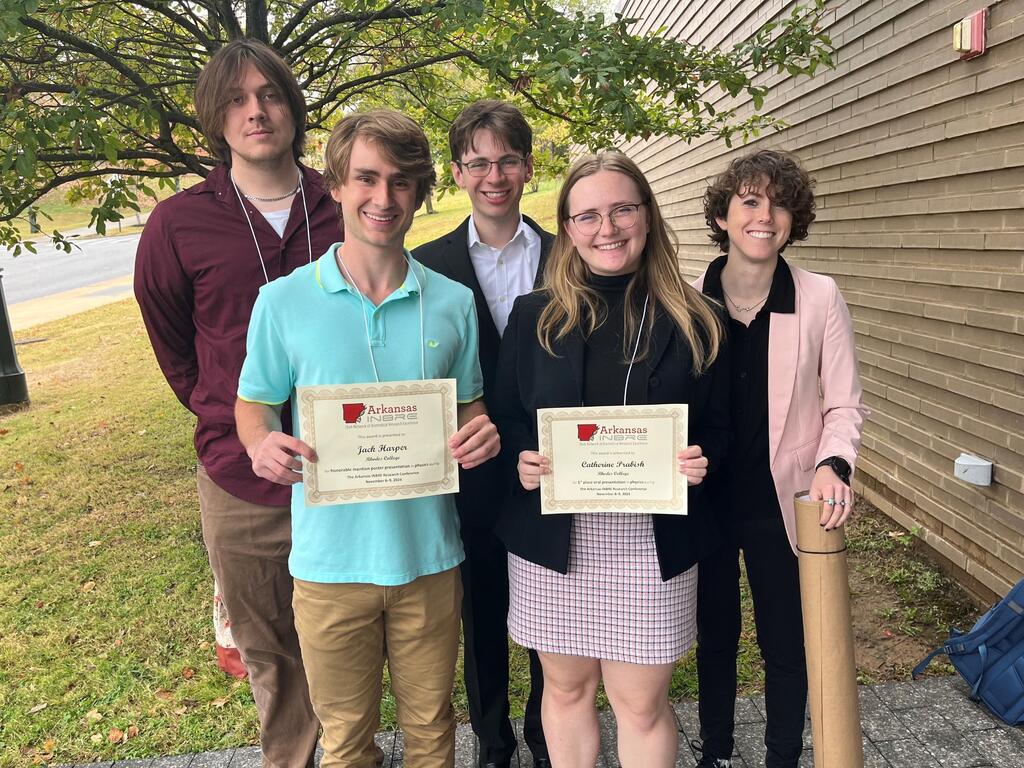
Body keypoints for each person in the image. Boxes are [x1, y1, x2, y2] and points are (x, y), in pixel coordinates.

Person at [234, 110, 501, 768]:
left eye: (403, 182)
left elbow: (469, 404)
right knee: (347, 743)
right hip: (330, 567)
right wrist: (260, 444)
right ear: (334, 185)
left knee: (434, 731)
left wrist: (480, 433)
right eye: (367, 179)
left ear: (422, 191)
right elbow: (252, 407)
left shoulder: (453, 302)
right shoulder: (283, 301)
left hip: (430, 559)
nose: (385, 199)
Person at [134, 39, 342, 768]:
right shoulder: (178, 224)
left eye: (271, 94)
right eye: (237, 100)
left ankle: (354, 753)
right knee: (272, 652)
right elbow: (172, 342)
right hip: (240, 478)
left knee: (353, 640)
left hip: (352, 471)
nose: (257, 111)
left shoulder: (343, 203)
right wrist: (223, 411)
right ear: (215, 120)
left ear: (293, 107)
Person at [492, 150, 729, 768]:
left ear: (647, 216)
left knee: (641, 704)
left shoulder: (699, 320)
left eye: (623, 209)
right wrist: (520, 458)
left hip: (653, 540)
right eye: (589, 215)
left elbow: (724, 427)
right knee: (566, 691)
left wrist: (702, 460)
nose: (608, 228)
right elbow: (508, 415)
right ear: (567, 228)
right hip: (554, 538)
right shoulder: (534, 316)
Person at [691, 149, 865, 768]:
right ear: (723, 214)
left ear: (796, 218)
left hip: (784, 502)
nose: (765, 216)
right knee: (714, 638)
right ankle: (714, 751)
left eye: (780, 203)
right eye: (750, 201)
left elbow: (843, 406)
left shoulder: (819, 297)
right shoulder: (686, 300)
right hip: (704, 500)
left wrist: (831, 463)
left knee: (785, 644)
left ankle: (782, 756)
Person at [413, 99, 551, 768]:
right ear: (458, 172)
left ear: (527, 166)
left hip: (551, 467)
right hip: (467, 469)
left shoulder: (569, 254)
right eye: (477, 162)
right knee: (482, 613)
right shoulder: (426, 266)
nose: (493, 175)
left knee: (553, 604)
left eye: (506, 160)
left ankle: (550, 730)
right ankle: (493, 741)